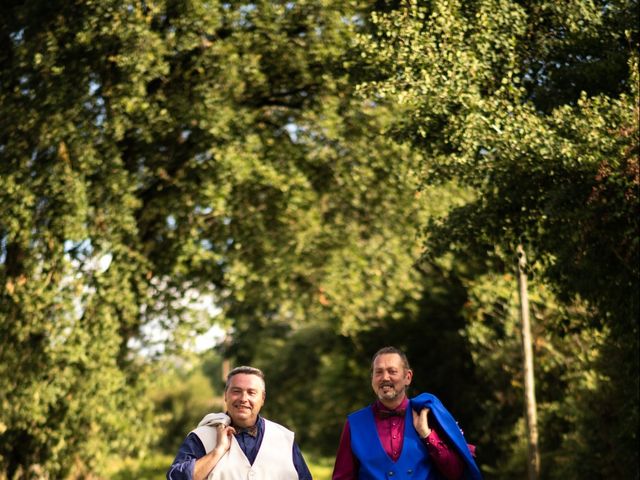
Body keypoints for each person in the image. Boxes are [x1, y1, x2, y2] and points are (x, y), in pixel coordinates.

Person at [332, 346, 482, 480]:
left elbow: (454, 473)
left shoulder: (430, 415)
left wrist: (427, 435)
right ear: (372, 378)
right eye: (378, 372)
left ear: (407, 377)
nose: (385, 377)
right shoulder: (354, 423)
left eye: (392, 371)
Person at [167, 365, 313, 480]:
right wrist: (218, 451)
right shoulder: (201, 437)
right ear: (226, 396)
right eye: (236, 391)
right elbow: (176, 477)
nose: (243, 398)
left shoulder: (284, 438)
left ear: (262, 398)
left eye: (251, 392)